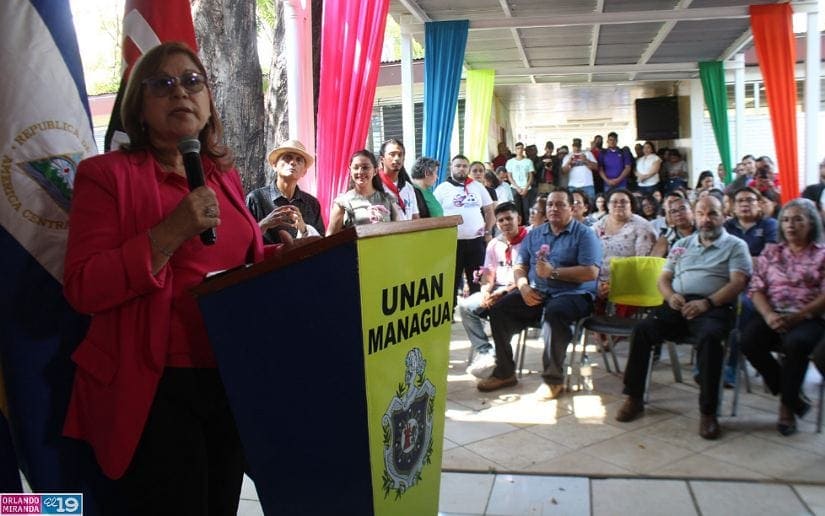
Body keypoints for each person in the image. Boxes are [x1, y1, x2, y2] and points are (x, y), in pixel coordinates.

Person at [62, 42, 277, 514]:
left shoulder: (222, 174)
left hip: (231, 376)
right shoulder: (105, 176)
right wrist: (171, 231)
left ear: (208, 101)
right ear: (137, 108)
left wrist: (296, 255)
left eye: (192, 81)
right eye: (162, 83)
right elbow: (84, 285)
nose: (180, 91)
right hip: (153, 387)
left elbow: (239, 262)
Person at [614, 196, 752, 440]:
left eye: (712, 213)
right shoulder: (683, 245)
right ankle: (634, 398)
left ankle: (708, 413)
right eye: (701, 214)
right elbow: (663, 279)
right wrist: (670, 296)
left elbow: (738, 282)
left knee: (710, 338)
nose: (706, 219)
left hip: (715, 306)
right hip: (679, 303)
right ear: (696, 216)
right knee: (643, 329)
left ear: (723, 215)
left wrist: (706, 303)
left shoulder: (735, 245)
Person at [476, 189, 602, 398]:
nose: (553, 208)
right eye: (550, 204)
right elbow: (520, 266)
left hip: (574, 295)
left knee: (555, 314)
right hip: (538, 291)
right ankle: (505, 372)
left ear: (571, 208)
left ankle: (553, 380)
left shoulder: (585, 234)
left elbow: (591, 272)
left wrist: (554, 272)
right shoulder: (536, 233)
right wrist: (524, 287)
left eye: (560, 204)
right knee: (499, 309)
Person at [740, 198, 825, 436]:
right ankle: (793, 396)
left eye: (798, 219)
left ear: (812, 223)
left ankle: (786, 408)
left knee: (795, 344)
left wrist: (798, 317)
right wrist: (768, 315)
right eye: (786, 219)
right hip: (774, 314)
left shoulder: (821, 255)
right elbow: (756, 288)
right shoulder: (771, 252)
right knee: (747, 340)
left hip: (809, 318)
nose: (790, 225)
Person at [459, 202, 526, 378]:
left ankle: (500, 356)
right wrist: (485, 291)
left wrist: (502, 293)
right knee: (466, 306)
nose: (505, 223)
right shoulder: (494, 244)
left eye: (509, 218)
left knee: (499, 308)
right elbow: (489, 274)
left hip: (519, 290)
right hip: (497, 288)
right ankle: (485, 351)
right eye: (501, 220)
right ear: (496, 224)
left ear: (518, 219)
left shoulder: (529, 240)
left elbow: (530, 277)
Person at [434, 154, 495, 312]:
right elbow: (433, 215)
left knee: (477, 278)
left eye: (464, 166)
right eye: (458, 165)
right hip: (452, 242)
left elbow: (489, 210)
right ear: (451, 168)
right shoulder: (442, 189)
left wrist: (487, 231)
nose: (461, 168)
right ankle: (448, 312)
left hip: (476, 241)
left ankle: (477, 311)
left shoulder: (477, 186)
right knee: (451, 279)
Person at [246, 139, 324, 244]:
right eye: (287, 158)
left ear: (304, 172)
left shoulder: (312, 203)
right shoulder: (256, 199)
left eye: (299, 160)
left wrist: (304, 229)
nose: (293, 162)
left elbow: (322, 243)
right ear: (274, 165)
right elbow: (242, 240)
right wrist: (265, 223)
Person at [592, 189, 656, 302]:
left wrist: (614, 284)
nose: (619, 205)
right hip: (596, 281)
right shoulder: (599, 225)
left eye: (624, 202)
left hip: (629, 282)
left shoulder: (642, 227)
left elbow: (642, 264)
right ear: (607, 205)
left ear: (631, 205)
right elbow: (587, 256)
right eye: (614, 202)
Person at [327, 149, 401, 234]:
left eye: (365, 167)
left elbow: (398, 234)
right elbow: (330, 239)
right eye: (356, 167)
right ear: (350, 170)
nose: (360, 172)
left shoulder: (388, 200)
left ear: (375, 171)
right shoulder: (342, 203)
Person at [378, 138, 419, 220]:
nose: (397, 158)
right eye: (392, 154)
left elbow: (415, 217)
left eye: (400, 155)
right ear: (382, 159)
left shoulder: (408, 187)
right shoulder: (376, 186)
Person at [505, 142, 535, 222]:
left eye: (521, 148)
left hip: (526, 188)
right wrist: (517, 187)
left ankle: (528, 227)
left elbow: (531, 176)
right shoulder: (510, 162)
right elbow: (509, 176)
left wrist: (526, 188)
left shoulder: (528, 161)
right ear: (515, 150)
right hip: (515, 188)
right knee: (516, 210)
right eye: (518, 148)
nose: (520, 150)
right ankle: (518, 227)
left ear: (523, 149)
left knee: (526, 209)